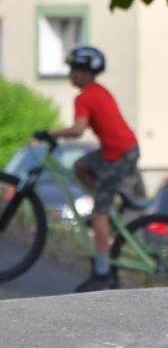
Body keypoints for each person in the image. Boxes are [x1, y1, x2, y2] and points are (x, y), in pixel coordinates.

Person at [36, 44, 140, 292]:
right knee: (80, 165)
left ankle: (102, 273)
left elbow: (78, 130)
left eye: (73, 69)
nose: (70, 74)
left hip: (119, 154)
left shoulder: (85, 97)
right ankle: (108, 197)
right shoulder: (99, 90)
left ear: (83, 72)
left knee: (98, 213)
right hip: (119, 150)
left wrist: (50, 133)